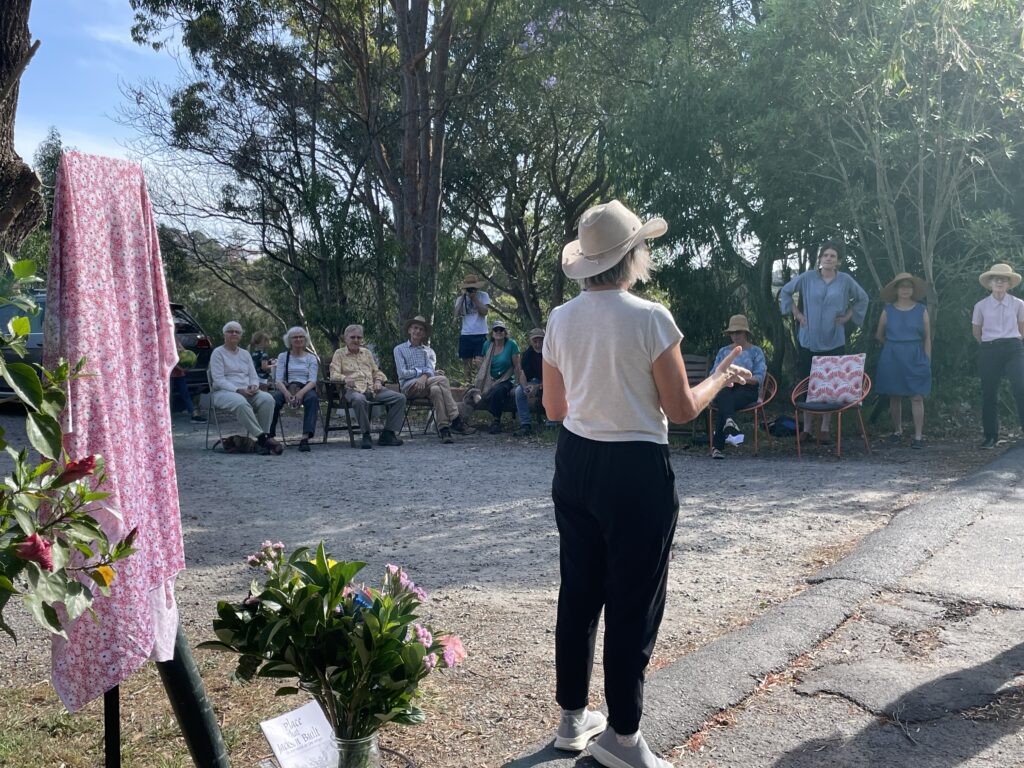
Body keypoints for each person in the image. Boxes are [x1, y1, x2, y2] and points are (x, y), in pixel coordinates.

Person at [542, 200, 749, 767]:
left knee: (579, 590)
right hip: (635, 467)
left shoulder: (560, 320)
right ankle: (624, 739)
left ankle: (571, 717)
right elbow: (681, 411)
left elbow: (555, 407)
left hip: (576, 461)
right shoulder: (651, 317)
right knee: (633, 599)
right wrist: (721, 378)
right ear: (633, 255)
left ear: (587, 263)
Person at [779, 240, 869, 442]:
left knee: (830, 384)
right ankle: (807, 428)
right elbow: (785, 291)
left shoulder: (845, 280)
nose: (829, 259)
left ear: (838, 261)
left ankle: (826, 429)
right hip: (808, 339)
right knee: (808, 382)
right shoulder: (808, 278)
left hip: (834, 339)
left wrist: (847, 316)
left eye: (833, 256)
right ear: (820, 259)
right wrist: (797, 314)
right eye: (826, 255)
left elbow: (863, 298)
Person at [393, 315, 476, 444]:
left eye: (421, 329)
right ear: (409, 330)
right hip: (409, 387)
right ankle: (456, 419)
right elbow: (403, 373)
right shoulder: (399, 349)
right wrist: (422, 374)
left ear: (424, 333)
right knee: (442, 379)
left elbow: (430, 370)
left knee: (437, 390)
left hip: (427, 386)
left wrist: (424, 377)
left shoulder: (429, 351)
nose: (418, 331)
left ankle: (444, 430)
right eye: (415, 328)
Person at [874, 273, 931, 449]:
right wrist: (893, 345)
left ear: (913, 290)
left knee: (917, 397)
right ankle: (897, 431)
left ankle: (918, 436)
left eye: (909, 286)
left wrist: (927, 359)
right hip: (892, 355)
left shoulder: (922, 309)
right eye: (902, 286)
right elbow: (879, 334)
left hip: (915, 355)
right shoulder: (888, 310)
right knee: (895, 395)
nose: (905, 289)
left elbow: (927, 337)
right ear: (896, 289)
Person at [971, 263, 1024, 449]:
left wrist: (1011, 341)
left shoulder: (1019, 304)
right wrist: (990, 344)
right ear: (990, 283)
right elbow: (977, 331)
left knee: (1021, 388)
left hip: (1013, 348)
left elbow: (1022, 327)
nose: (1000, 282)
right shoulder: (981, 306)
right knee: (989, 393)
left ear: (1009, 283)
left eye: (1003, 279)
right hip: (989, 349)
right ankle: (990, 437)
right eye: (996, 279)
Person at [209, 321, 282, 455]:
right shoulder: (217, 353)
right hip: (224, 392)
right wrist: (238, 390)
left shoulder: (245, 354)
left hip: (247, 390)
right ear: (224, 334)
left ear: (241, 336)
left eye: (237, 331)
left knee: (268, 399)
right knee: (240, 403)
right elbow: (218, 380)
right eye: (230, 331)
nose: (234, 333)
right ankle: (263, 439)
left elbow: (253, 375)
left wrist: (254, 386)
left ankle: (261, 442)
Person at [330, 324, 406, 449]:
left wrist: (378, 381)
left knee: (400, 398)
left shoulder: (366, 353)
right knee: (359, 400)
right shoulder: (339, 354)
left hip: (372, 389)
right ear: (345, 338)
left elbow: (377, 371)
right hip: (351, 390)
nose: (356, 340)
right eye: (353, 337)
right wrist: (345, 378)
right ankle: (366, 434)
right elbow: (333, 374)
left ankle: (388, 433)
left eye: (359, 338)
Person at [709, 315, 766, 460]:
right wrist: (727, 378)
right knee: (724, 393)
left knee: (725, 401)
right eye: (732, 333)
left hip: (746, 389)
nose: (735, 336)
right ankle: (730, 422)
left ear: (745, 333)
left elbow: (759, 377)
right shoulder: (723, 352)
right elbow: (714, 374)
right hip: (726, 387)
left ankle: (717, 447)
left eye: (738, 332)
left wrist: (740, 378)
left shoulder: (756, 352)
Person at [269, 326, 320, 452]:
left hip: (305, 387)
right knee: (272, 400)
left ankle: (305, 438)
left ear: (305, 339)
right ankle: (269, 437)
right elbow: (278, 380)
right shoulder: (283, 356)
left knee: (312, 399)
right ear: (289, 341)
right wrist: (286, 393)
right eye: (295, 337)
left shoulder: (311, 357)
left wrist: (301, 393)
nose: (298, 339)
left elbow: (313, 380)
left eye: (301, 336)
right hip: (286, 387)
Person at [478, 320, 526, 434]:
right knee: (475, 392)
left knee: (498, 390)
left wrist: (519, 384)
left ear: (505, 332)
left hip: (506, 379)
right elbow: (484, 365)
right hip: (490, 379)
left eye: (501, 330)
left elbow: (517, 366)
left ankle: (496, 421)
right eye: (496, 330)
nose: (498, 332)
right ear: (492, 333)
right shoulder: (487, 345)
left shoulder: (512, 345)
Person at [454, 274, 490, 383]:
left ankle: (481, 386)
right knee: (467, 365)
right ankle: (467, 386)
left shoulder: (483, 296)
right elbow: (456, 314)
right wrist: (463, 297)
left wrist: (474, 299)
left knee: (480, 362)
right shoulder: (461, 299)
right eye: (469, 288)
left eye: (473, 287)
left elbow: (484, 312)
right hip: (466, 334)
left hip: (480, 333)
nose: (471, 290)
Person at [513, 327, 546, 435]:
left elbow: (556, 377)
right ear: (531, 341)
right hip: (536, 381)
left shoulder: (551, 352)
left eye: (540, 340)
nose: (538, 344)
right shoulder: (528, 354)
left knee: (549, 391)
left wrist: (537, 387)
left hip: (552, 382)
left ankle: (552, 423)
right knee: (519, 391)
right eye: (535, 341)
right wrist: (526, 388)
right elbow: (523, 373)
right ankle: (525, 424)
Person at [170, 339, 206, 423]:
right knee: (169, 396)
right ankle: (168, 419)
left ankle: (194, 415)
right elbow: (169, 359)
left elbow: (184, 352)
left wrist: (188, 365)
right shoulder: (164, 340)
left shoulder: (176, 341)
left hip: (180, 374)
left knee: (185, 394)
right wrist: (182, 368)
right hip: (170, 374)